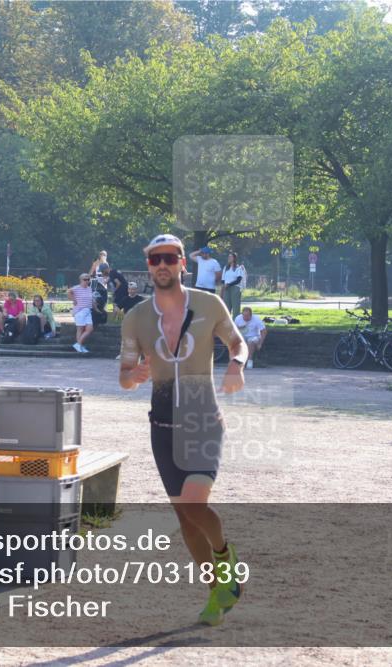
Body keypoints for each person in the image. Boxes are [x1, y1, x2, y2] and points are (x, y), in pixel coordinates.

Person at [119, 233, 247, 627]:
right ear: (148, 266)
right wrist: (135, 374)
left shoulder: (209, 303)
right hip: (161, 426)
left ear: (182, 264)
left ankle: (225, 559)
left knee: (194, 505)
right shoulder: (135, 317)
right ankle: (218, 591)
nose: (162, 265)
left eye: (169, 258)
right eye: (155, 259)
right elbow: (124, 377)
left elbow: (238, 343)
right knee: (184, 517)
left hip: (202, 420)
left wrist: (236, 365)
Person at [68, 273, 96, 354]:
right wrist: (73, 300)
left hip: (88, 310)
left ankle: (78, 344)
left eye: (88, 279)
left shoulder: (89, 288)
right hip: (80, 311)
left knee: (89, 329)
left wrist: (96, 308)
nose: (87, 281)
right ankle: (80, 346)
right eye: (85, 279)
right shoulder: (76, 288)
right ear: (81, 280)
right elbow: (69, 292)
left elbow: (91, 299)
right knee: (80, 329)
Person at [220, 252, 246, 318]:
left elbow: (238, 279)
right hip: (226, 288)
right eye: (228, 257)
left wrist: (229, 284)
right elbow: (223, 280)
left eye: (230, 257)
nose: (229, 258)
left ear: (234, 258)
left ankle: (236, 323)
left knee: (236, 308)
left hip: (235, 288)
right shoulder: (226, 268)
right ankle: (227, 324)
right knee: (226, 307)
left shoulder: (238, 268)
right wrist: (222, 290)